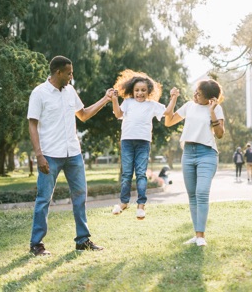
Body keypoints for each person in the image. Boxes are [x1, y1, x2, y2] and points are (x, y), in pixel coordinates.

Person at [27, 55, 114, 256]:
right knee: (43, 199)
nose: (71, 76)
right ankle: (36, 244)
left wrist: (106, 99)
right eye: (69, 73)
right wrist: (39, 155)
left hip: (73, 153)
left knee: (80, 196)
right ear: (58, 72)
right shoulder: (39, 93)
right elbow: (32, 124)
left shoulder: (70, 91)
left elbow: (83, 114)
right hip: (50, 155)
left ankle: (82, 241)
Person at [111, 69, 179, 220]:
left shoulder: (152, 105)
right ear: (132, 91)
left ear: (149, 91)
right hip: (127, 141)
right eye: (137, 90)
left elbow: (168, 112)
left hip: (143, 142)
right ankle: (123, 203)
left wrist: (173, 98)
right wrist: (114, 100)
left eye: (143, 90)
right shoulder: (128, 102)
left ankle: (141, 206)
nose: (140, 93)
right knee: (127, 174)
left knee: (141, 173)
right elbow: (118, 114)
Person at [165, 79, 225, 247]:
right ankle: (197, 235)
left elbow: (220, 134)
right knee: (192, 196)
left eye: (199, 94)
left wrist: (212, 112)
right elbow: (168, 122)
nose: (195, 95)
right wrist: (174, 99)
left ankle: (201, 236)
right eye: (196, 91)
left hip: (207, 154)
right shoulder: (189, 106)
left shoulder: (216, 108)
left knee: (202, 192)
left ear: (210, 98)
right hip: (188, 153)